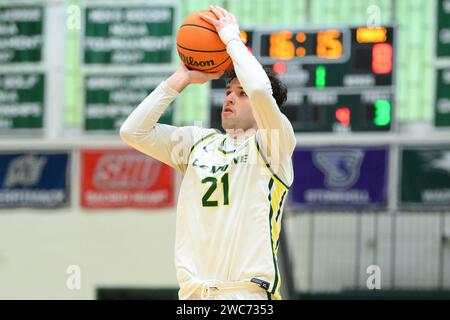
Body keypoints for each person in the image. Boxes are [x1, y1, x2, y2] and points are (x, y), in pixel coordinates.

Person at [120, 5, 295, 300]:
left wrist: (231, 39)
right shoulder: (197, 143)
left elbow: (261, 91)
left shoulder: (273, 144)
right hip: (194, 297)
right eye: (228, 92)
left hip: (246, 295)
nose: (230, 98)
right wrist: (181, 78)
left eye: (241, 94)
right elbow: (132, 132)